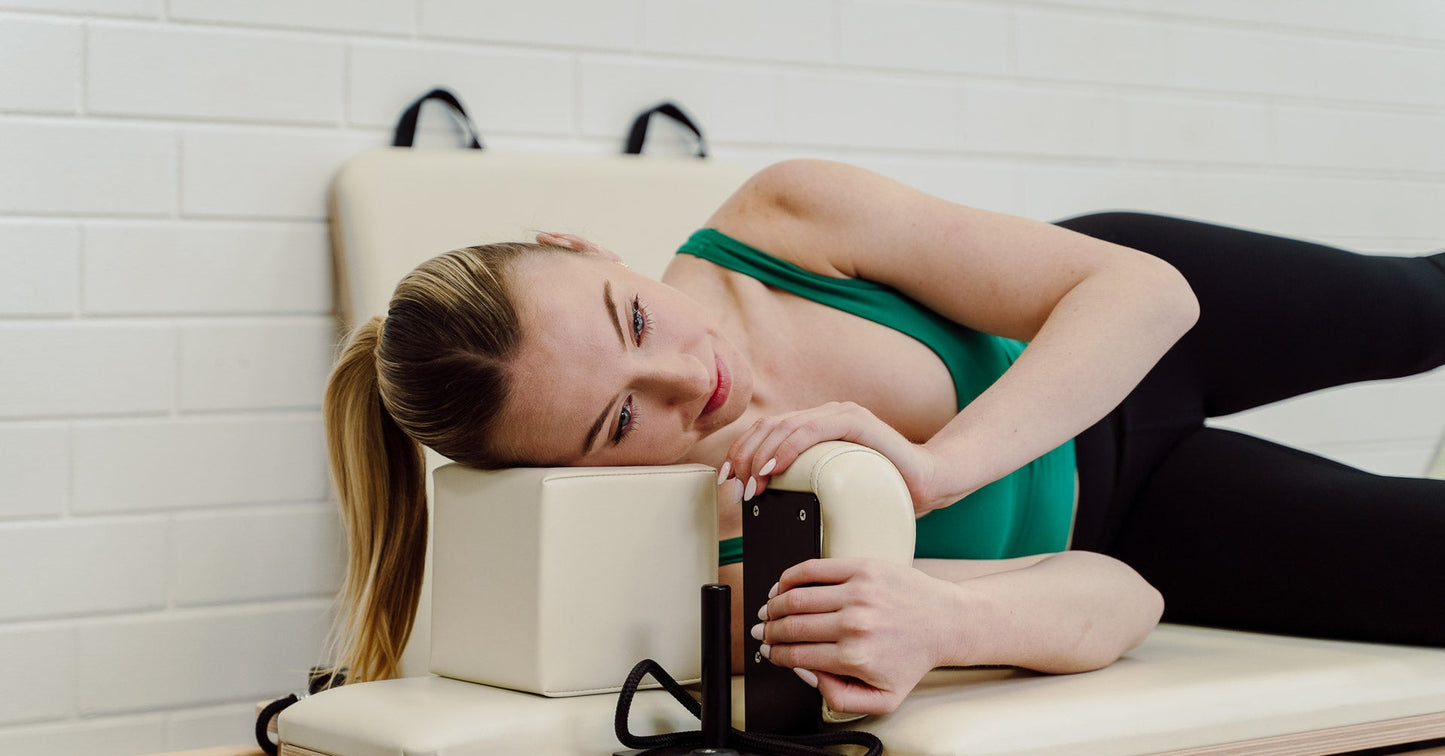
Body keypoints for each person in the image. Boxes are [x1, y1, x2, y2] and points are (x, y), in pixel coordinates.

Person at [323, 158, 1445, 714]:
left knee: (1418, 307)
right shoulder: (714, 552)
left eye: (632, 319)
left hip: (1097, 340)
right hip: (1144, 509)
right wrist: (944, 619)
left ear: (583, 245)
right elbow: (1126, 595)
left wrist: (934, 468)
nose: (687, 378)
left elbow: (1146, 297)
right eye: (622, 420)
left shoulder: (783, 222)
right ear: (560, 482)